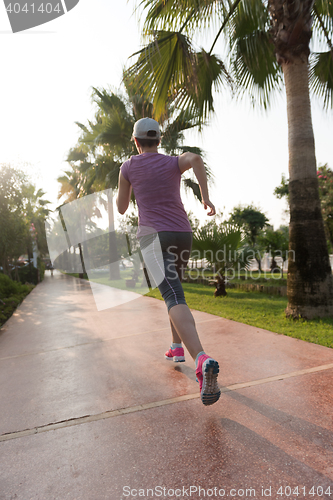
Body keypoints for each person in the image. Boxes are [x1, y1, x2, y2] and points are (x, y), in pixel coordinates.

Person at [116, 117, 220, 406]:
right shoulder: (173, 162)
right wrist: (205, 198)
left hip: (153, 237)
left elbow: (122, 207)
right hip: (182, 234)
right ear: (159, 140)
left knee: (172, 295)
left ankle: (201, 359)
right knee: (174, 292)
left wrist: (125, 183)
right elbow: (195, 158)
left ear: (135, 141)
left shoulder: (128, 167)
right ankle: (176, 348)